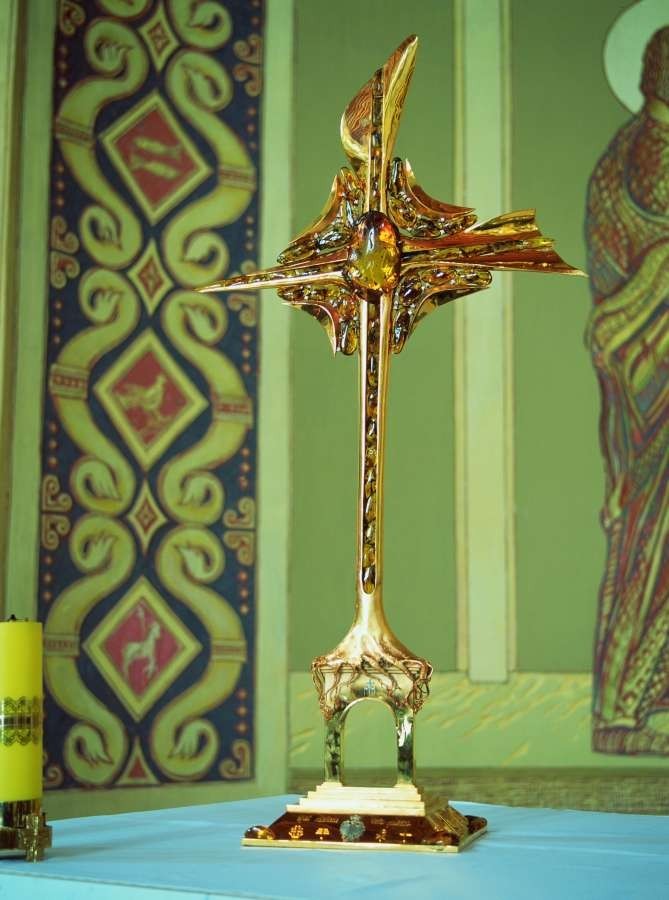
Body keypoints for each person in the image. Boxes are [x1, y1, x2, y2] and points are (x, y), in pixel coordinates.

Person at [585, 26, 669, 754]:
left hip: (642, 349)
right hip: (650, 360)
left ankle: (643, 698)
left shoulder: (623, 150)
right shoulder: (642, 154)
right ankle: (618, 712)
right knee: (647, 533)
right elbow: (636, 265)